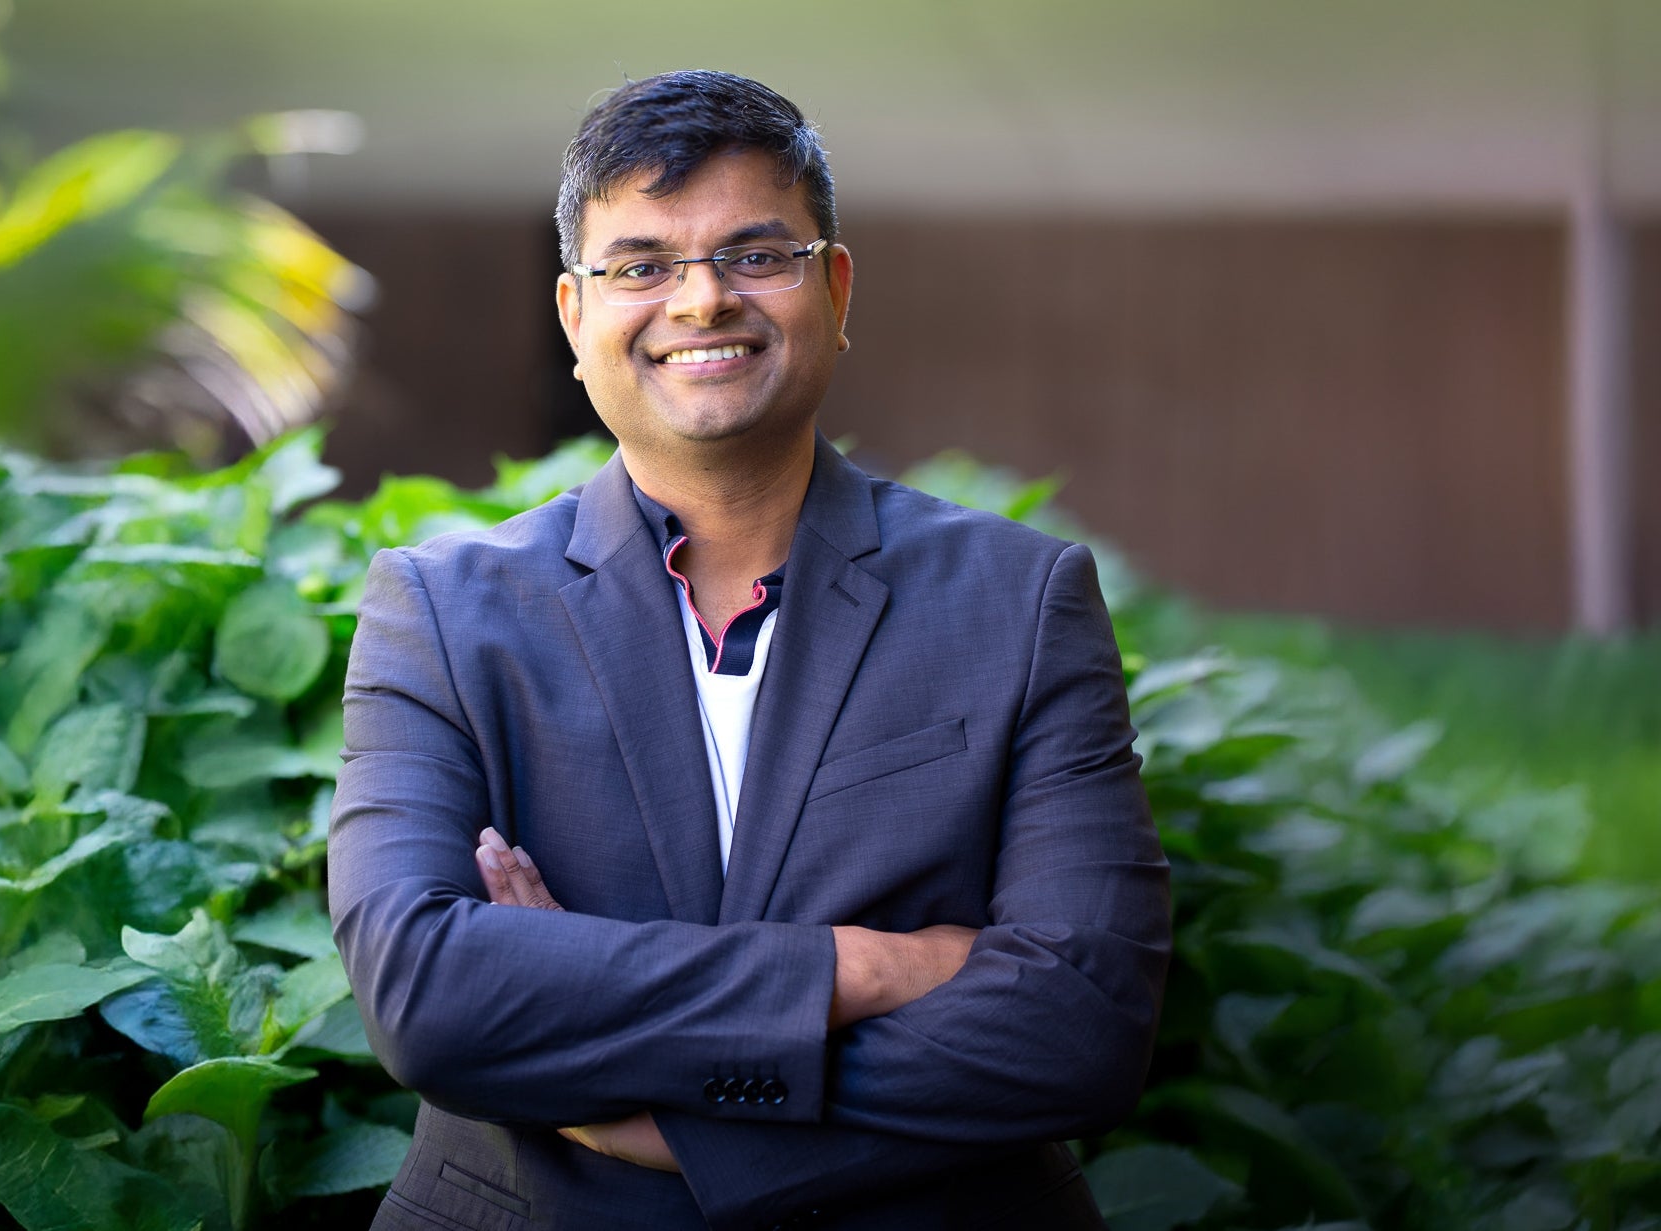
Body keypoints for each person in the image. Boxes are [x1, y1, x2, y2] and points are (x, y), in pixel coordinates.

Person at [327, 69, 1170, 1231]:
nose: (702, 299)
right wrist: (864, 968)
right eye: (642, 266)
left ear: (835, 287)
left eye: (755, 255)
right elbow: (429, 995)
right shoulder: (443, 610)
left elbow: (1081, 1026)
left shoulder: (1018, 599)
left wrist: (677, 1121)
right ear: (578, 317)